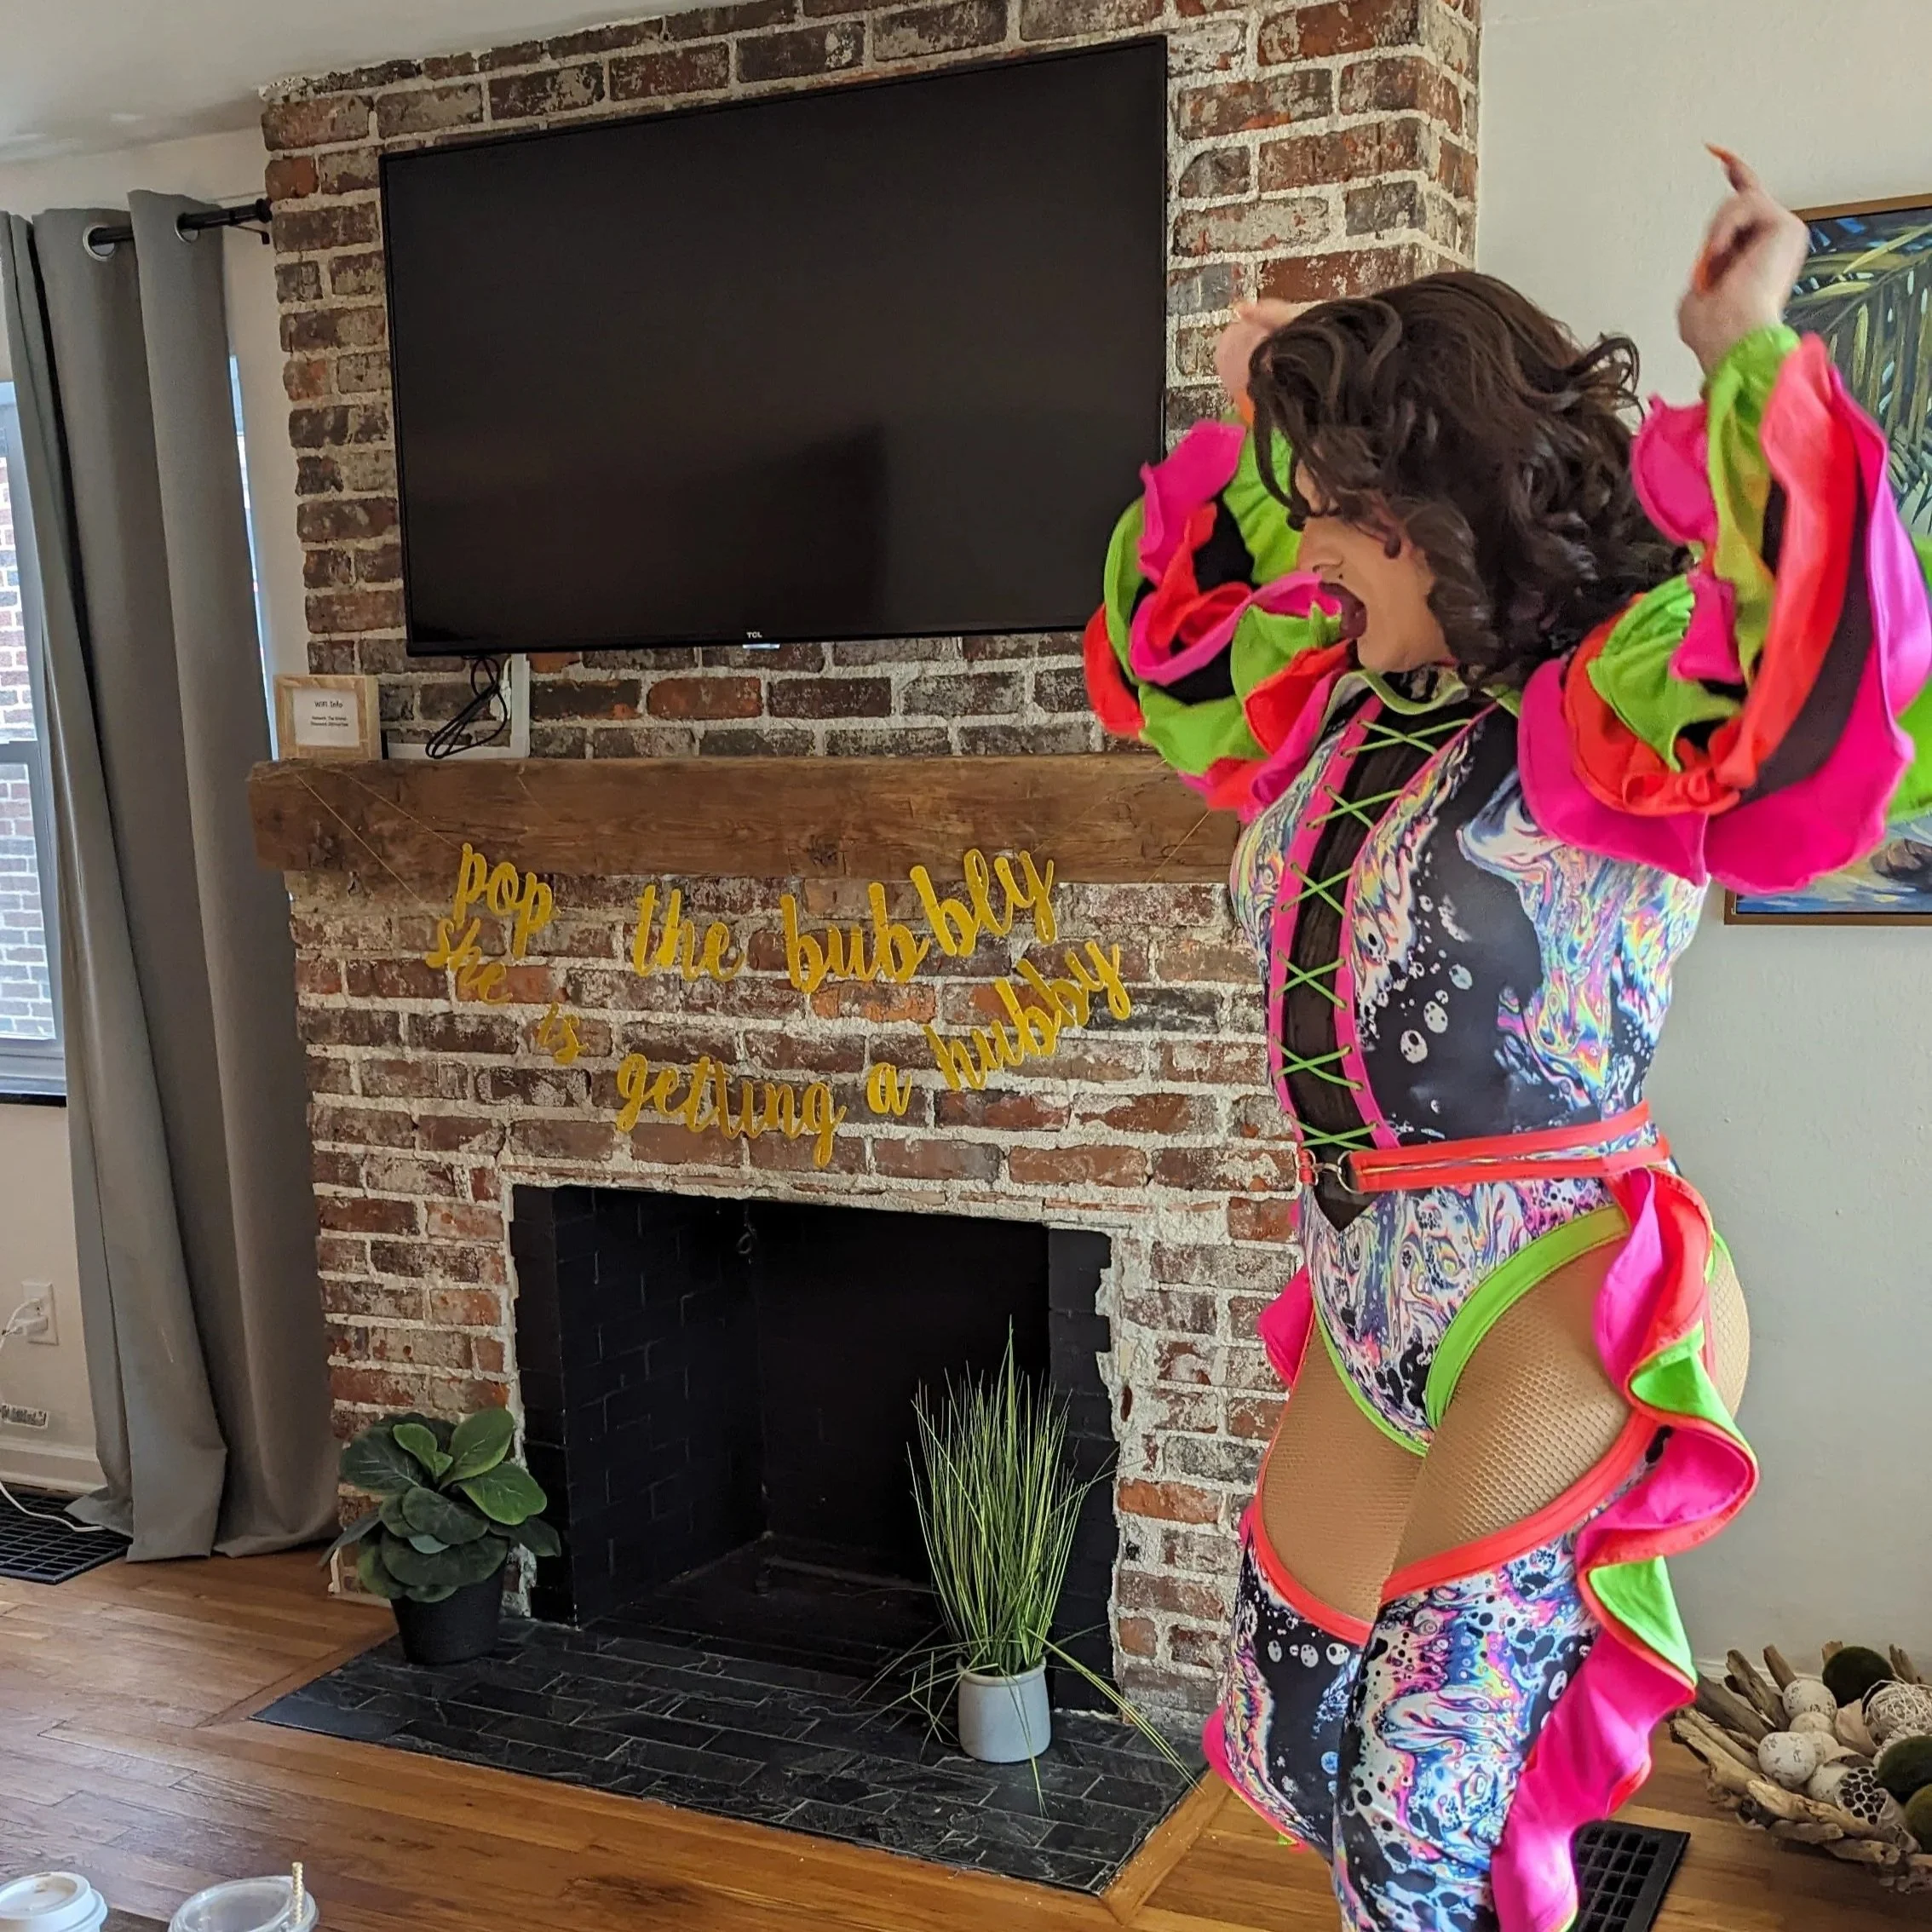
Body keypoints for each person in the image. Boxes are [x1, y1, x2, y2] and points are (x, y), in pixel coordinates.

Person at [1084, 152, 1932, 1932]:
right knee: (1301, 1737)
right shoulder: (1335, 699)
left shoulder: (1614, 695)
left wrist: (1751, 347)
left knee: (1426, 1813)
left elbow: (1815, 673)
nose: (1307, 547)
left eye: (1335, 506)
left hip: (1551, 1272)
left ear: (1435, 500)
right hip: (1368, 1265)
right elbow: (1162, 662)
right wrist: (1254, 424)